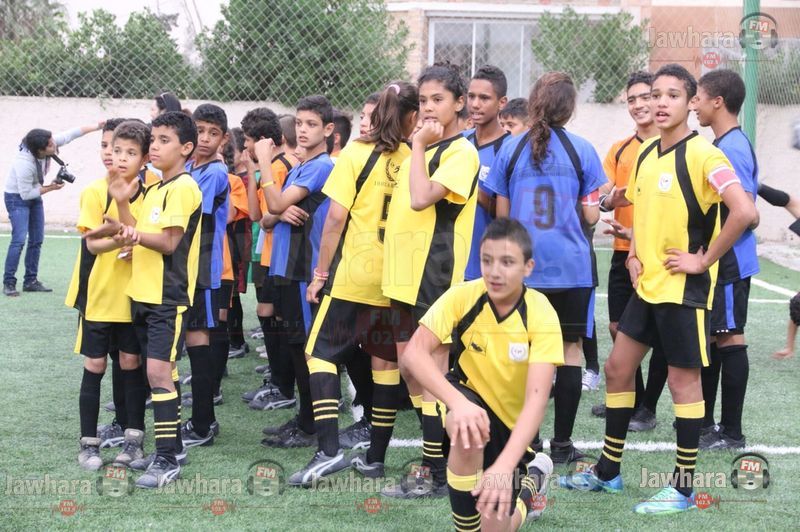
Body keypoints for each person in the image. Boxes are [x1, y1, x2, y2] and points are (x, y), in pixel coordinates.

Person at [560, 64, 757, 515]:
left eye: (672, 95)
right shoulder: (647, 152)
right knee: (617, 368)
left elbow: (745, 212)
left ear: (691, 102)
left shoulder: (706, 156)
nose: (660, 102)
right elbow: (638, 198)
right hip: (647, 286)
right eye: (655, 94)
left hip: (684, 291)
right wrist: (631, 249)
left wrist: (702, 260)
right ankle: (608, 472)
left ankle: (682, 489)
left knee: (684, 383)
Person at [286, 81, 418, 486]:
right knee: (385, 365)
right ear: (412, 118)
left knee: (318, 354)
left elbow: (335, 219)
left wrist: (320, 274)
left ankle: (328, 451)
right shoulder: (416, 158)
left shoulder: (356, 154)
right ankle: (375, 459)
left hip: (355, 277)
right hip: (396, 280)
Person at [400, 218, 561, 530]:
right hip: (467, 395)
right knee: (467, 430)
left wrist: (504, 466)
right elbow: (414, 354)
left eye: (507, 262)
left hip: (513, 428)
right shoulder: (463, 296)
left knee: (498, 526)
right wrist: (458, 403)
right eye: (487, 261)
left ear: (528, 267)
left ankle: (531, 486)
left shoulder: (541, 314)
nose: (494, 271)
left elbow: (537, 399)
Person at [485, 72, 605, 464]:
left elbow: (501, 217)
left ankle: (528, 443)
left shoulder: (511, 148)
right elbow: (591, 215)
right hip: (571, 266)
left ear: (534, 103)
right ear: (569, 109)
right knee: (569, 351)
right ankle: (563, 445)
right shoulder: (582, 149)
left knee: (525, 352)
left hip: (525, 269)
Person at [86, 111, 203, 488]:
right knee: (160, 372)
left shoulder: (183, 187)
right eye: (153, 139)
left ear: (186, 148)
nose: (155, 146)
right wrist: (122, 205)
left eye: (164, 140)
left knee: (157, 373)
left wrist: (131, 235)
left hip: (167, 296)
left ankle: (166, 460)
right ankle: (173, 449)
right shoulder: (155, 189)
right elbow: (134, 229)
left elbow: (168, 242)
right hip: (143, 293)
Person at [380, 63, 480, 498]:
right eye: (423, 100)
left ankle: (437, 472)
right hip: (403, 278)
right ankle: (435, 463)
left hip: (433, 276)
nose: (428, 108)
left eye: (438, 99)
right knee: (411, 371)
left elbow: (422, 199)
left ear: (459, 103)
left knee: (432, 372)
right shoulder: (418, 149)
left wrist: (418, 145)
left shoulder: (461, 153)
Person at [67, 120, 150, 470]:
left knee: (131, 363)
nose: (120, 158)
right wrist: (119, 240)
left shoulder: (153, 191)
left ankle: (133, 440)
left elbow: (143, 235)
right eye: (116, 150)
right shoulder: (94, 192)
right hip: (100, 295)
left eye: (130, 152)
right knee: (95, 365)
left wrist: (127, 223)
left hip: (135, 295)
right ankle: (88, 443)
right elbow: (92, 243)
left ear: (145, 159)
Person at [256, 95, 336, 448]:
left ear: (328, 129)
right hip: (285, 267)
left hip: (304, 270)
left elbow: (273, 204)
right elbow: (267, 219)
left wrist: (263, 159)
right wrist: (279, 213)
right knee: (294, 345)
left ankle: (311, 425)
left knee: (307, 349)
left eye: (311, 124)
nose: (303, 130)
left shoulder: (321, 166)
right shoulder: (301, 167)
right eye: (299, 123)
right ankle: (304, 418)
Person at [591, 72, 667, 435]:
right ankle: (630, 400)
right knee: (618, 328)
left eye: (645, 97)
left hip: (660, 257)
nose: (638, 105)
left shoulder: (673, 147)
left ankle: (647, 408)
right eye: (632, 100)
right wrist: (611, 201)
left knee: (663, 334)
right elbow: (601, 196)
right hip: (623, 252)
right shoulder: (620, 149)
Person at [692, 69, 760, 450]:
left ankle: (732, 433)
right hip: (723, 261)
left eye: (698, 97)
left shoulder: (731, 147)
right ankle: (706, 424)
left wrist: (709, 256)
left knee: (730, 336)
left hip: (730, 261)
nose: (694, 105)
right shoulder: (725, 142)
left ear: (718, 102)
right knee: (717, 336)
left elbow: (747, 212)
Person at [239, 107, 298, 416]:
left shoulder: (280, 167)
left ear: (262, 140)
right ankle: (279, 379)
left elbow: (267, 217)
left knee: (280, 318)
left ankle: (284, 385)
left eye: (248, 140)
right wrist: (253, 174)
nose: (245, 146)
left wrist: (272, 216)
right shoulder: (270, 166)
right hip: (271, 254)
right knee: (269, 314)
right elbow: (257, 215)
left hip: (282, 254)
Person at [4, 122, 103, 296]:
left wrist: (97, 126)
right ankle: (9, 283)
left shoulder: (47, 143)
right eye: (50, 145)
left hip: (34, 194)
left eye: (52, 141)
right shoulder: (24, 163)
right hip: (17, 198)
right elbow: (26, 194)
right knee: (19, 240)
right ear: (40, 150)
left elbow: (72, 133)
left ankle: (31, 281)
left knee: (37, 239)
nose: (54, 145)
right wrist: (51, 187)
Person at [180, 104, 230, 449]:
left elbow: (190, 214)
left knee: (199, 344)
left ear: (223, 139)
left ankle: (202, 425)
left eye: (213, 133)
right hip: (184, 269)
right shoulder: (188, 167)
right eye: (200, 131)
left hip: (202, 271)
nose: (205, 138)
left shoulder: (214, 173)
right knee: (191, 343)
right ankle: (203, 420)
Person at [463, 65, 510, 282]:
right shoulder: (458, 142)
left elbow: (508, 215)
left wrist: (472, 187)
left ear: (502, 102)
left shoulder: (511, 149)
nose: (475, 104)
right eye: (471, 96)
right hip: (449, 260)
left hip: (488, 266)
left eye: (484, 98)